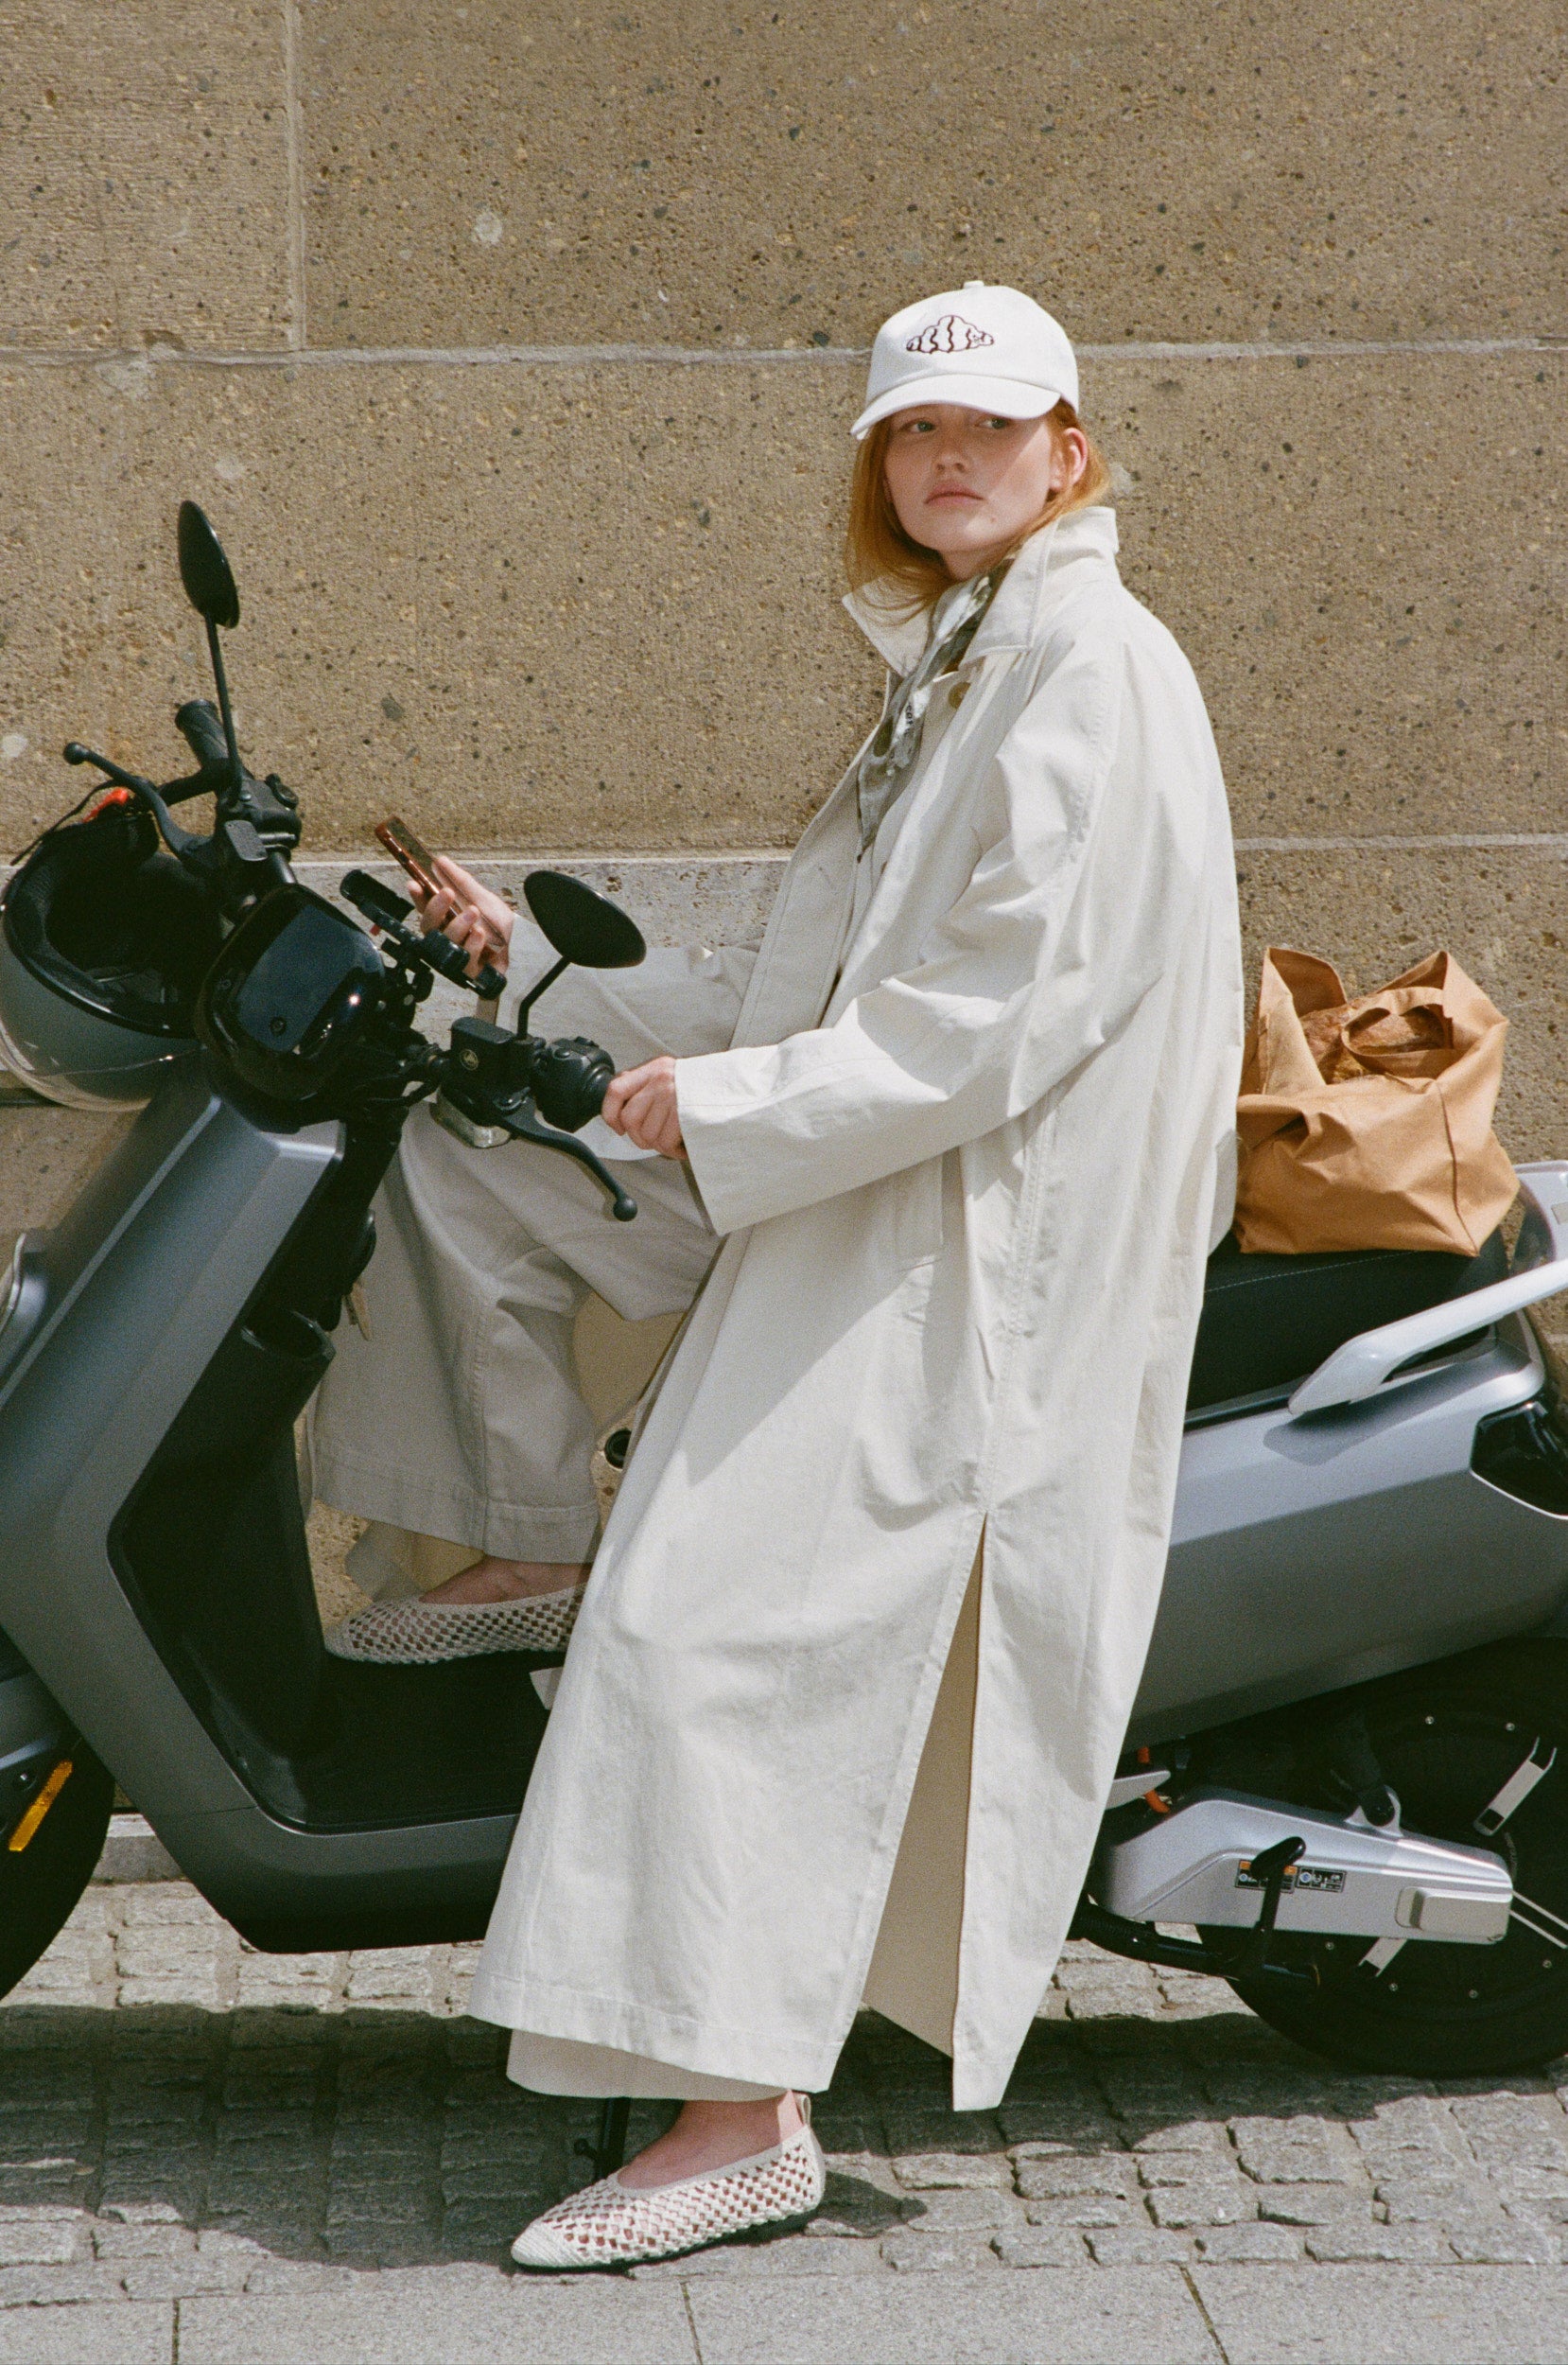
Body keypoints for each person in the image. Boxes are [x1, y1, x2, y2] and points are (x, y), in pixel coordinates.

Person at [306, 281, 1245, 2270]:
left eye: (988, 428)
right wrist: (541, 975)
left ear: (1069, 453)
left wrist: (738, 1100)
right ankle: (520, 1534)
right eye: (914, 433)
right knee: (473, 1161)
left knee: (708, 1629)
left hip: (964, 1242)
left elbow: (996, 1013)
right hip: (876, 1174)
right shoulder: (969, 657)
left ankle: (741, 2121)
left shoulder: (1088, 669)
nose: (947, 459)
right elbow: (831, 969)